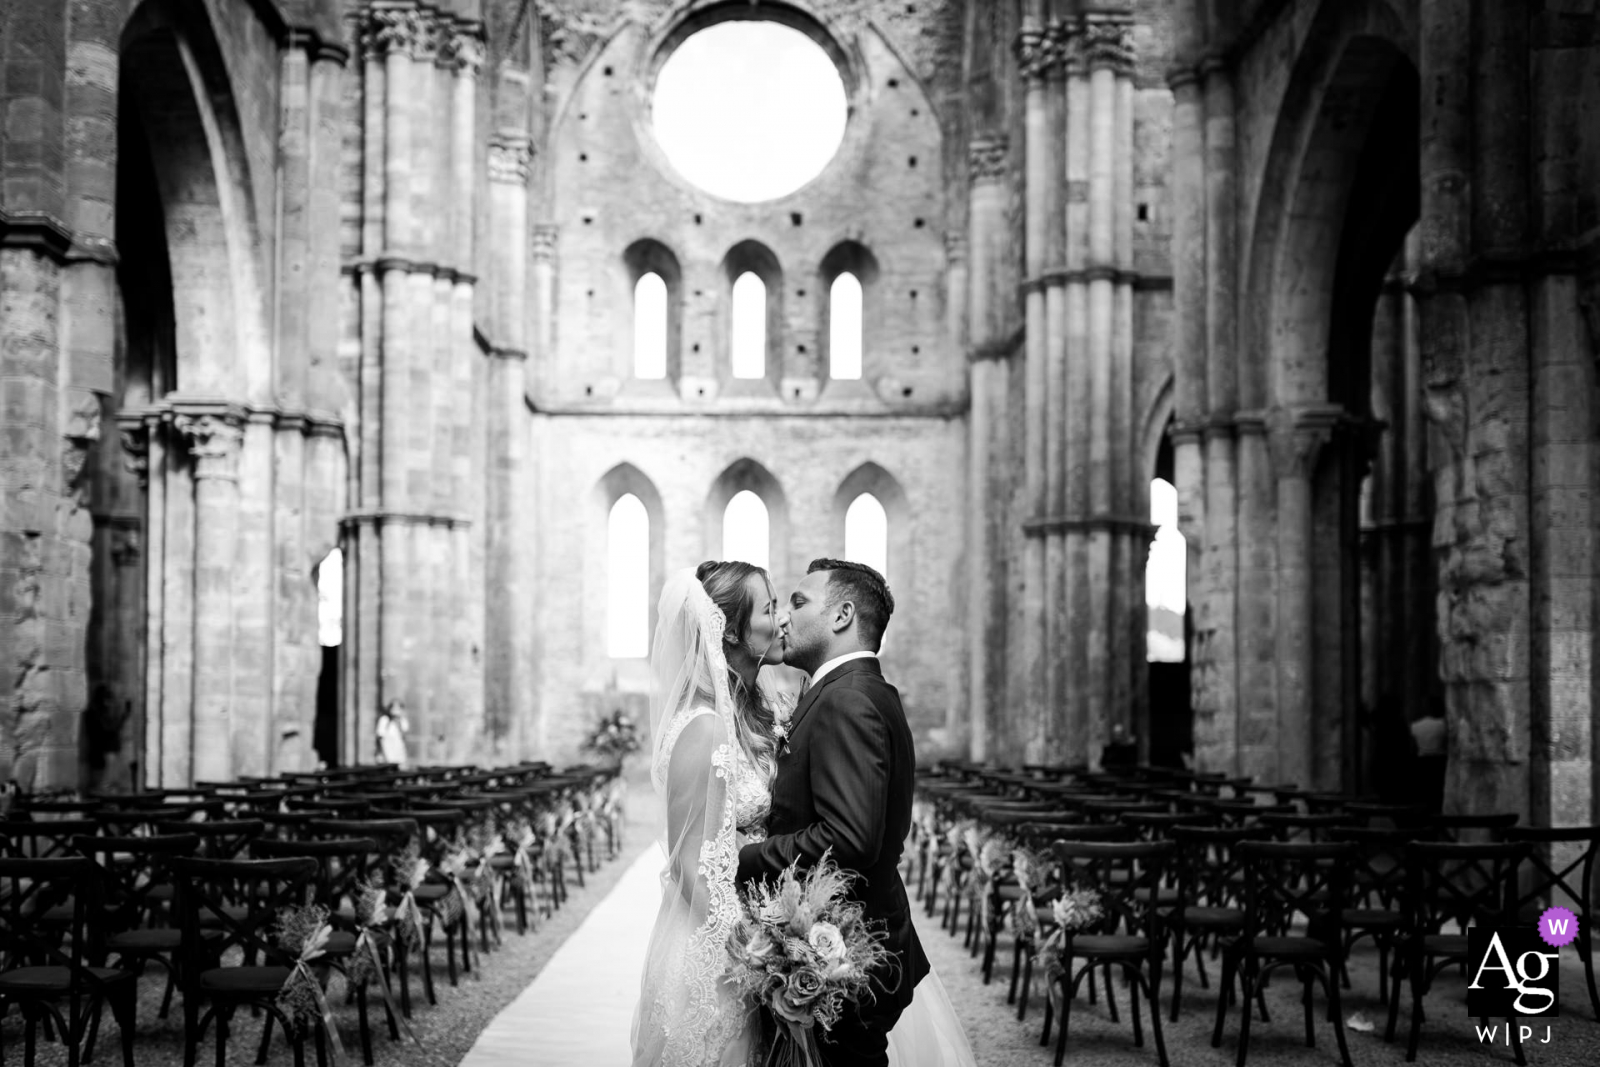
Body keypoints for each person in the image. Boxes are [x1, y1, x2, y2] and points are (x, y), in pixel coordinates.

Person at [631, 560, 975, 1067]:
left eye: (790, 603)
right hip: (734, 944)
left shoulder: (824, 702)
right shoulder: (704, 726)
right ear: (729, 631)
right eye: (771, 607)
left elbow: (846, 835)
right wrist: (752, 948)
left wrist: (752, 873)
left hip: (793, 935)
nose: (782, 619)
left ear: (841, 617)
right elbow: (687, 864)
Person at [376, 698, 410, 768]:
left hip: (400, 754)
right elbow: (380, 737)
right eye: (394, 708)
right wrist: (383, 754)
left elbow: (404, 734)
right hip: (388, 753)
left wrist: (398, 722)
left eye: (399, 708)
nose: (397, 710)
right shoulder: (385, 720)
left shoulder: (402, 720)